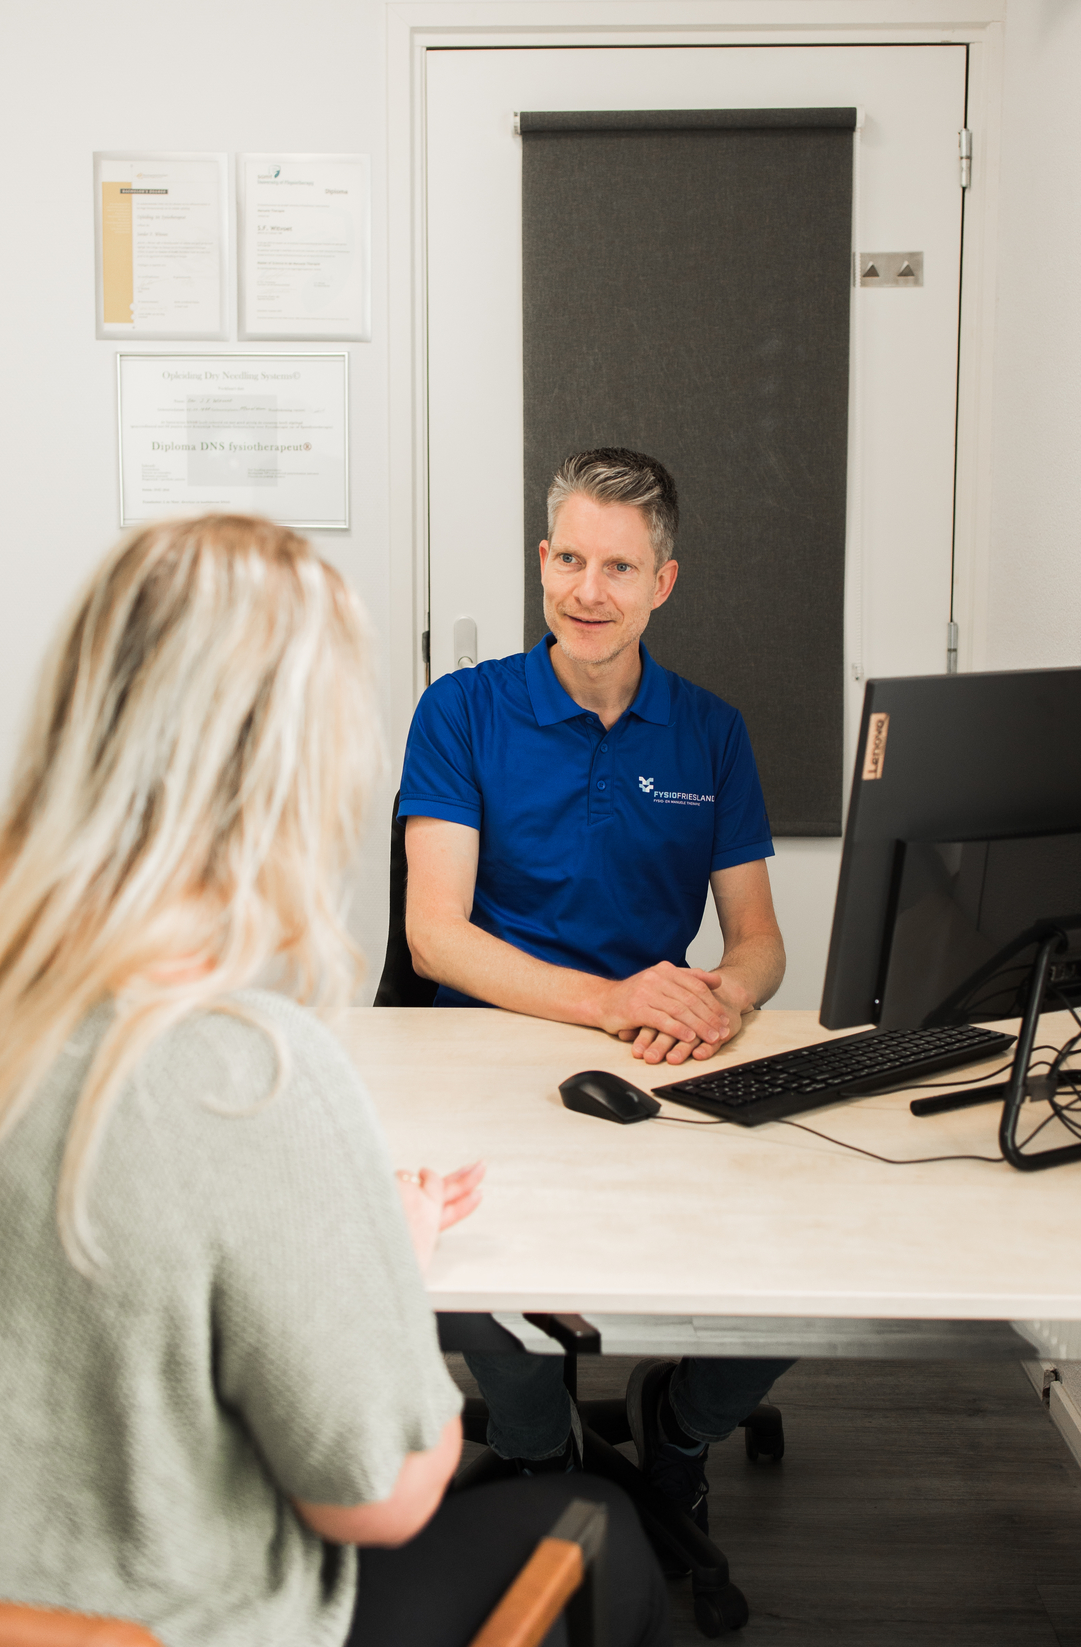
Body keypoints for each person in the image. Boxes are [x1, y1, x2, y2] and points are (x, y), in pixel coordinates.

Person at [0, 515, 669, 1647]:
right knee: (602, 1525)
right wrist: (392, 1265)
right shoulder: (250, 1069)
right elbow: (376, 1494)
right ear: (298, 762)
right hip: (176, 1626)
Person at [398, 448, 795, 1526]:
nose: (588, 590)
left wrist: (724, 997)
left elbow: (759, 941)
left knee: (817, 1239)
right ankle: (537, 1448)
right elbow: (434, 937)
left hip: (655, 1056)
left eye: (619, 567)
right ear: (542, 562)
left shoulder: (710, 730)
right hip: (488, 1051)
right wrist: (609, 999)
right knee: (463, 1248)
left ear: (663, 582)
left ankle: (683, 1423)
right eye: (569, 559)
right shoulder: (461, 710)